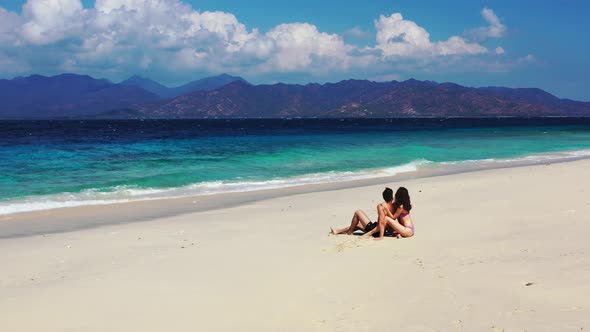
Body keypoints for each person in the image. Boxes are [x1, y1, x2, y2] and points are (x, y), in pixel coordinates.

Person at [330, 187, 396, 236]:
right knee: (357, 224)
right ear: (392, 197)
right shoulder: (394, 206)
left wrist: (377, 235)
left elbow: (381, 223)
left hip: (376, 230)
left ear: (383, 197)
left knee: (358, 212)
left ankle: (349, 232)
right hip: (382, 229)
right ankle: (337, 231)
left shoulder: (381, 206)